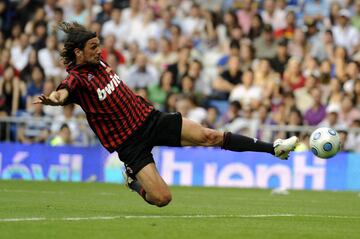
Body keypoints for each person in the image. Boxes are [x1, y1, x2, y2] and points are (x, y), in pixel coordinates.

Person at [34, 22, 298, 208]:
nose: (98, 50)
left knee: (210, 135)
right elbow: (63, 93)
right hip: (129, 144)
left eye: (98, 45)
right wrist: (53, 100)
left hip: (150, 119)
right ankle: (133, 182)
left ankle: (274, 149)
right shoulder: (77, 80)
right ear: (78, 52)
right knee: (162, 199)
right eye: (93, 47)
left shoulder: (100, 62)